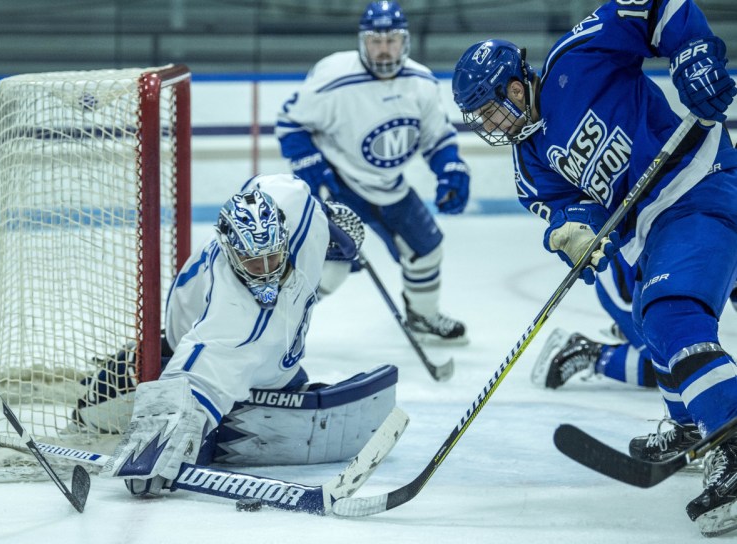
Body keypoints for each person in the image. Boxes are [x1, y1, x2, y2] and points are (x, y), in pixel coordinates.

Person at [451, 0, 737, 536]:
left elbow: (653, 7)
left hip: (696, 182)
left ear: (515, 87)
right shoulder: (528, 162)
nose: (489, 124)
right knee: (651, 322)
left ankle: (731, 439)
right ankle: (690, 421)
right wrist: (572, 233)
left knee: (670, 312)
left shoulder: (575, 61)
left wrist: (693, 53)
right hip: (653, 226)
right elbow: (565, 209)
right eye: (480, 120)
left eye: (490, 110)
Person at [96, 173, 401, 495]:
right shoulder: (232, 316)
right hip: (179, 355)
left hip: (272, 362)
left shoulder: (298, 214)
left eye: (274, 256)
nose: (268, 269)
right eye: (255, 263)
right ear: (230, 250)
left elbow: (278, 186)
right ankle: (124, 377)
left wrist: (322, 213)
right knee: (195, 447)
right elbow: (196, 378)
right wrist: (151, 449)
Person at [275, 0, 470, 345]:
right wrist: (312, 168)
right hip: (339, 185)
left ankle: (422, 316)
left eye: (391, 40)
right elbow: (290, 123)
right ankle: (276, 323)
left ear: (404, 42)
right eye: (375, 41)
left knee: (427, 251)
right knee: (330, 270)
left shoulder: (420, 82)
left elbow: (436, 138)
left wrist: (451, 170)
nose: (383, 50)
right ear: (362, 41)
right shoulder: (334, 78)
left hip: (390, 187)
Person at [532, 254, 657, 390]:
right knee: (670, 365)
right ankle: (592, 352)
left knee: (674, 364)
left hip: (649, 285)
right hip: (627, 289)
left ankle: (633, 336)